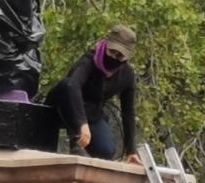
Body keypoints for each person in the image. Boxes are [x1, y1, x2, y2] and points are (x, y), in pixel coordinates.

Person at [44, 24, 140, 163]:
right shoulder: (90, 60)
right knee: (66, 84)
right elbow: (73, 85)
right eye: (112, 52)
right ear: (106, 45)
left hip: (92, 111)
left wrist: (131, 150)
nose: (114, 57)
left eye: (120, 56)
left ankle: (81, 138)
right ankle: (76, 139)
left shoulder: (127, 75)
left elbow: (128, 112)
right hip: (63, 104)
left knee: (107, 150)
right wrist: (81, 124)